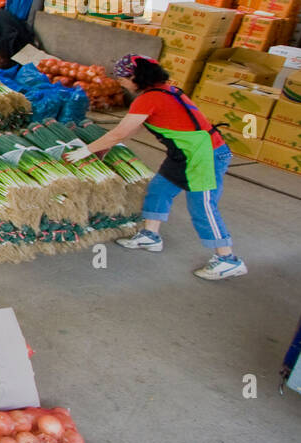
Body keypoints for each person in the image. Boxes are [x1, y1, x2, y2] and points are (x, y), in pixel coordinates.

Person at [66, 54, 246, 281]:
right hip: (184, 153)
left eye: (123, 78)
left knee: (203, 207)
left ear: (136, 77)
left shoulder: (149, 99)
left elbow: (120, 131)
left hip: (205, 155)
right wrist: (109, 145)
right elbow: (137, 126)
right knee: (159, 190)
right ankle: (150, 235)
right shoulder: (166, 91)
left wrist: (87, 150)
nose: (120, 82)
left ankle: (227, 259)